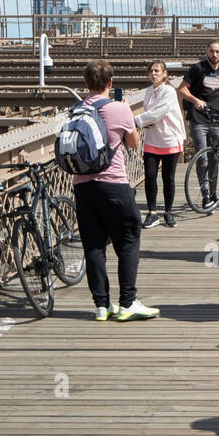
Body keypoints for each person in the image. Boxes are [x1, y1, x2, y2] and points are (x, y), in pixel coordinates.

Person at [71, 60, 158, 322]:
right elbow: (133, 143)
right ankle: (127, 303)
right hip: (114, 184)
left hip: (83, 186)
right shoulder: (119, 108)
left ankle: (101, 306)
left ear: (86, 84)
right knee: (129, 239)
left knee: (94, 245)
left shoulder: (76, 109)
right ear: (111, 83)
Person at [178, 40, 219, 208]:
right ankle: (205, 196)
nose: (215, 54)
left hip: (217, 119)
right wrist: (195, 100)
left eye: (218, 52)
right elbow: (181, 89)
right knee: (202, 157)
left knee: (214, 158)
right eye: (212, 51)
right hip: (198, 119)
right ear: (207, 52)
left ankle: (214, 195)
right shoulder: (197, 68)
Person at [136, 61, 185, 229]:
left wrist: (136, 121)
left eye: (157, 71)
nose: (153, 73)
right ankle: (152, 212)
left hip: (169, 138)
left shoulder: (169, 91)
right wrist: (145, 121)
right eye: (151, 71)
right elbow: (150, 112)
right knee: (150, 176)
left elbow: (157, 113)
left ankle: (168, 211)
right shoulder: (149, 91)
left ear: (164, 74)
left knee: (167, 177)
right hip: (152, 139)